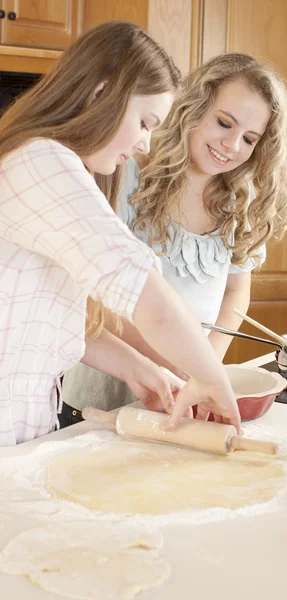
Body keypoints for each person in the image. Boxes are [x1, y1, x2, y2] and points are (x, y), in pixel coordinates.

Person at [0, 21, 241, 446]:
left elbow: (60, 320)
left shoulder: (55, 165)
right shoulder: (40, 161)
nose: (146, 144)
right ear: (100, 94)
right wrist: (214, 380)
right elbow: (149, 297)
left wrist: (137, 367)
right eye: (145, 121)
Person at [61, 52, 287, 418]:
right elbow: (95, 302)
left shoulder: (240, 203)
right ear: (193, 109)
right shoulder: (124, 177)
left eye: (249, 139)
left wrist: (206, 366)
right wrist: (188, 367)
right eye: (224, 123)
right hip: (103, 397)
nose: (232, 146)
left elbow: (236, 292)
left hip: (185, 394)